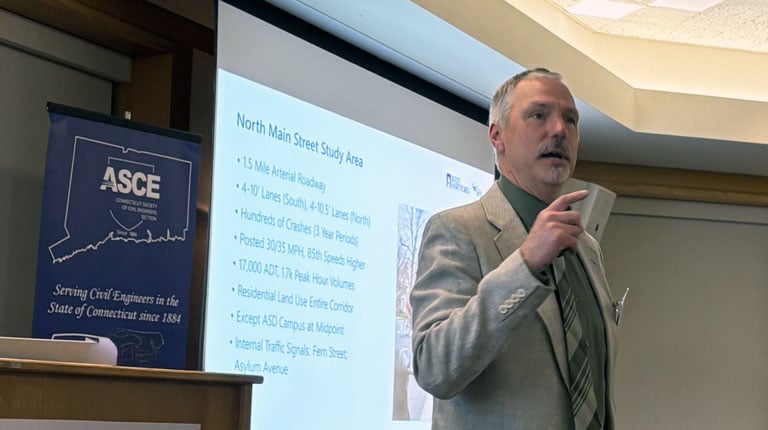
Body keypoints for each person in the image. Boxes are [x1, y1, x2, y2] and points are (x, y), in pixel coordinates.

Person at [410, 68, 619, 429]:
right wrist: (524, 266)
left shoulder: (586, 248)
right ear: (497, 136)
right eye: (539, 115)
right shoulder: (457, 230)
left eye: (571, 120)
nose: (559, 130)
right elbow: (433, 367)